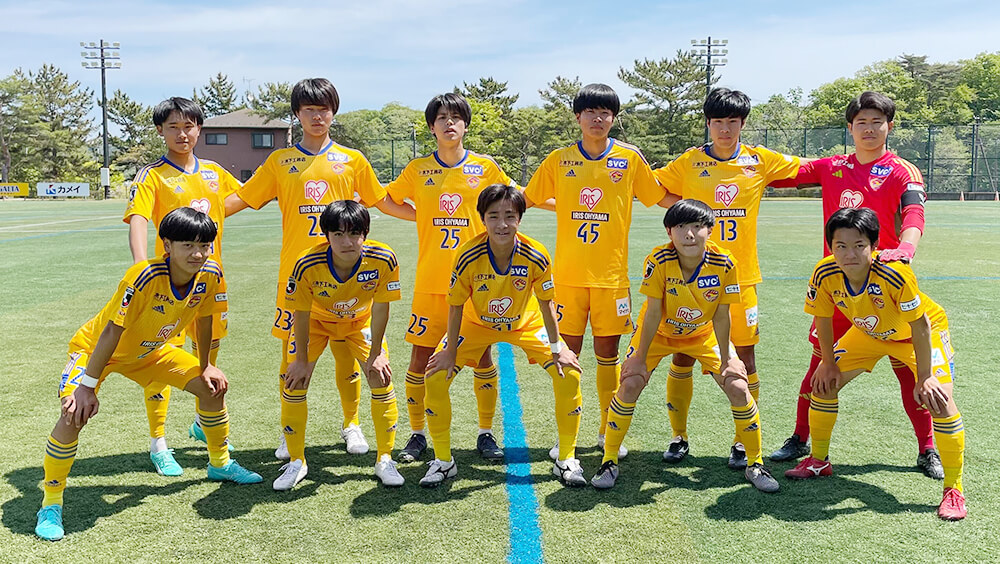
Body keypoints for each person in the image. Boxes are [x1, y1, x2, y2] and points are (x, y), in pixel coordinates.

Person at [34, 208, 262, 542]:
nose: (197, 253)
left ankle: (220, 463)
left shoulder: (211, 273)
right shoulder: (144, 276)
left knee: (212, 388)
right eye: (187, 245)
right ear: (167, 245)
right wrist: (87, 387)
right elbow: (111, 332)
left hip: (150, 351)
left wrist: (206, 365)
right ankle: (50, 503)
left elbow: (205, 319)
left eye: (204, 245)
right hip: (97, 351)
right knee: (74, 413)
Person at [224, 78, 413, 460]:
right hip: (297, 280)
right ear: (297, 113)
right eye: (309, 109)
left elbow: (380, 201)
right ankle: (289, 433)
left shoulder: (352, 160)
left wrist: (429, 215)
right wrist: (195, 214)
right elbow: (241, 199)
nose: (316, 116)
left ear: (333, 113)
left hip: (346, 276)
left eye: (323, 109)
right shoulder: (280, 162)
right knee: (292, 362)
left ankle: (351, 424)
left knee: (348, 358)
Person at [768, 91, 941, 480]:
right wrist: (742, 161)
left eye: (877, 121)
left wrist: (906, 249)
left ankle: (927, 447)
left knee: (909, 370)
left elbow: (914, 213)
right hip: (838, 289)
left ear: (889, 126)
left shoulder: (902, 171)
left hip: (885, 287)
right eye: (861, 122)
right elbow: (780, 174)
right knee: (820, 363)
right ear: (850, 127)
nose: (869, 129)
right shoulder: (833, 166)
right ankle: (800, 438)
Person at [786, 207, 965, 521]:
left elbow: (921, 326)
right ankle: (819, 461)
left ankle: (954, 488)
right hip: (869, 333)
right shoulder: (824, 272)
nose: (850, 254)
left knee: (940, 400)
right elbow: (823, 318)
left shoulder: (894, 273)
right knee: (823, 384)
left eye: (859, 245)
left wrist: (925, 376)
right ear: (830, 246)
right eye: (841, 246)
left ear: (874, 246)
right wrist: (827, 362)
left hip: (918, 334)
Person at [653, 87, 800, 469]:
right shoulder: (690, 161)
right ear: (708, 123)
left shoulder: (759, 160)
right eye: (717, 121)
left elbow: (807, 168)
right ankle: (679, 437)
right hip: (689, 274)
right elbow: (652, 188)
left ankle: (741, 441)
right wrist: (685, 210)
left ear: (742, 123)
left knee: (745, 357)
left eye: (732, 121)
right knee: (683, 353)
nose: (724, 129)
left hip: (741, 277)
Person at [523, 83, 670, 460]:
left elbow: (657, 197)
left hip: (611, 279)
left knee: (608, 355)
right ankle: (567, 437)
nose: (598, 118)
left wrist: (701, 201)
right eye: (590, 112)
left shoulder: (630, 158)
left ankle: (607, 431)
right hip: (568, 278)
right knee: (565, 356)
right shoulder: (559, 160)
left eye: (605, 113)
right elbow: (526, 198)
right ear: (578, 117)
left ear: (614, 118)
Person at [593, 199, 779, 492]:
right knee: (630, 382)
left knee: (738, 385)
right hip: (659, 333)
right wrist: (640, 357)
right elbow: (653, 312)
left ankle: (755, 463)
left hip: (701, 334)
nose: (689, 234)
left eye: (697, 226)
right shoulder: (658, 260)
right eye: (680, 227)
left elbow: (721, 314)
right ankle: (609, 460)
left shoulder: (725, 262)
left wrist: (728, 358)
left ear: (710, 230)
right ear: (669, 232)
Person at [420, 184, 585, 487]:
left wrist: (557, 347)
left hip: (525, 323)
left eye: (510, 216)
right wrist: (450, 352)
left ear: (520, 218)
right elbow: (455, 306)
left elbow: (547, 304)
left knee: (569, 374)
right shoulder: (468, 255)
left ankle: (566, 458)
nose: (502, 224)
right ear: (482, 219)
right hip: (476, 323)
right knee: (435, 377)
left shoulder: (536, 254)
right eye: (493, 216)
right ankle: (443, 461)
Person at [385, 93, 514, 463]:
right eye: (441, 118)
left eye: (456, 117)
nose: (449, 123)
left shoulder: (485, 167)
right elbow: (387, 200)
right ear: (431, 126)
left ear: (465, 125)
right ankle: (417, 434)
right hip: (431, 282)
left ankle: (485, 432)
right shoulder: (419, 169)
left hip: (476, 284)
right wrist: (420, 216)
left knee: (482, 357)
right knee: (420, 359)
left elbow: (512, 199)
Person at [123, 97, 241, 476]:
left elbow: (238, 198)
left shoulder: (214, 171)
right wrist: (141, 268)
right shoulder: (152, 175)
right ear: (160, 131)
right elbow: (139, 218)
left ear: (199, 129)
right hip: (168, 285)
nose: (182, 134)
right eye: (173, 127)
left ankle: (202, 422)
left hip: (209, 281)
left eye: (188, 126)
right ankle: (158, 442)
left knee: (207, 356)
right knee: (161, 359)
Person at [276, 201, 403, 489]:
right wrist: (301, 360)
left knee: (380, 376)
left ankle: (385, 459)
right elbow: (301, 313)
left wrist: (376, 354)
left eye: (354, 233)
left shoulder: (384, 259)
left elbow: (381, 308)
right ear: (327, 236)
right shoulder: (307, 263)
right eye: (338, 234)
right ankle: (296, 460)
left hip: (359, 322)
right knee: (295, 381)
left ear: (365, 233)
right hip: (317, 323)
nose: (347, 242)